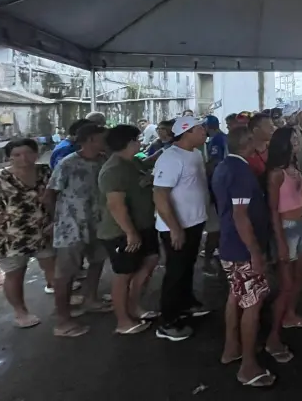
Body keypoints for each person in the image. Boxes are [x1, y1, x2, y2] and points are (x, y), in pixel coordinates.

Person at [212, 127, 276, 388]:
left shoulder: (223, 166)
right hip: (242, 248)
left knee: (235, 295)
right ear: (248, 143)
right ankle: (248, 366)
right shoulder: (240, 172)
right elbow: (241, 215)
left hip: (230, 244)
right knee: (253, 303)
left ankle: (232, 347)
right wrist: (255, 252)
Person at [45, 123, 111, 337]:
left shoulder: (103, 161)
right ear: (91, 139)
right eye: (103, 138)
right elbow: (50, 194)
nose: (106, 142)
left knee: (97, 261)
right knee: (65, 274)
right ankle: (63, 320)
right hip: (71, 226)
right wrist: (55, 220)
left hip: (98, 223)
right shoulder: (68, 163)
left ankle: (90, 299)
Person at [0, 139, 56, 328]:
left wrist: (55, 219)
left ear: (36, 153)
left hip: (43, 230)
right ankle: (20, 312)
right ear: (9, 157)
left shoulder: (44, 171)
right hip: (10, 236)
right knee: (15, 274)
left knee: (54, 267)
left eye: (28, 153)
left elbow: (52, 197)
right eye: (17, 155)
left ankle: (60, 298)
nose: (23, 158)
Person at [152, 116, 211, 341]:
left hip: (194, 222)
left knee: (187, 267)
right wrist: (174, 228)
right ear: (186, 132)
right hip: (176, 227)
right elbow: (160, 195)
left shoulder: (195, 153)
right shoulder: (170, 158)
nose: (204, 132)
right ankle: (168, 321)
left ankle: (186, 302)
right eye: (199, 129)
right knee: (175, 272)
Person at [97, 125, 159, 335]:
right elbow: (116, 205)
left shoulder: (133, 161)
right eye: (137, 140)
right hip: (121, 231)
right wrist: (130, 232)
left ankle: (134, 305)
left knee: (150, 260)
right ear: (129, 142)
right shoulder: (113, 170)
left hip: (143, 225)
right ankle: (123, 320)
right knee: (124, 274)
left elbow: (147, 166)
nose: (140, 143)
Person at [266, 127, 302, 363]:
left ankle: (290, 315)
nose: (297, 142)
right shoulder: (276, 174)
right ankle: (273, 337)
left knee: (298, 278)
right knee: (285, 285)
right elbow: (273, 211)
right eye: (294, 140)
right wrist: (281, 242)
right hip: (285, 229)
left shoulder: (293, 169)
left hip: (300, 226)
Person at [203, 115, 227, 275]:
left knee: (217, 225)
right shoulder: (222, 138)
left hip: (218, 187)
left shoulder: (217, 140)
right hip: (221, 187)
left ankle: (211, 257)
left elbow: (214, 163)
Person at [247, 113, 275, 178]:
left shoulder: (275, 149)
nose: (273, 129)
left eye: (272, 126)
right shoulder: (247, 155)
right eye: (269, 127)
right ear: (255, 130)